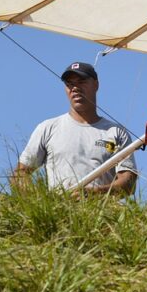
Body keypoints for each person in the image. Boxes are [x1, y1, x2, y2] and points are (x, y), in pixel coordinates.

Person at [13, 62, 137, 197]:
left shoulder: (116, 132)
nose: (75, 88)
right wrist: (39, 200)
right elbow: (20, 174)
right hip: (59, 209)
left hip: (102, 209)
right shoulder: (47, 128)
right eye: (69, 84)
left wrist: (94, 192)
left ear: (96, 85)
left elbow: (128, 183)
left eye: (81, 82)